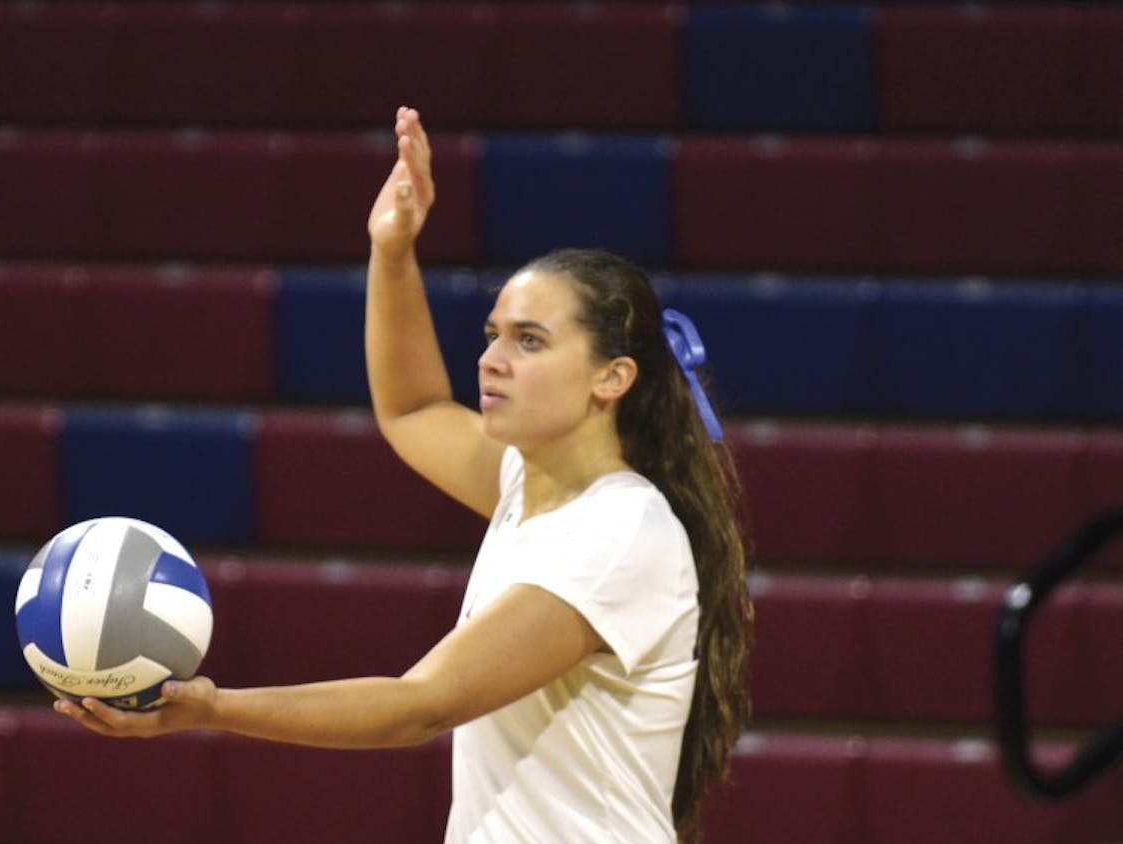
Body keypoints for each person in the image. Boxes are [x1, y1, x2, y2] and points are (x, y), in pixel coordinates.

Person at [55, 106, 753, 843]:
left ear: (612, 377)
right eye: (492, 335)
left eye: (529, 341)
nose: (491, 360)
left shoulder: (618, 533)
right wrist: (392, 250)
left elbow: (420, 705)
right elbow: (413, 409)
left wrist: (214, 709)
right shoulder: (531, 483)